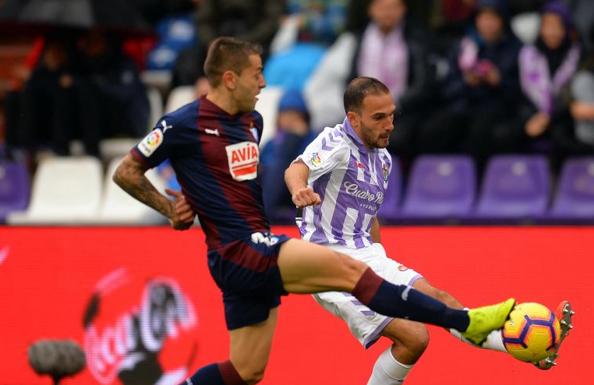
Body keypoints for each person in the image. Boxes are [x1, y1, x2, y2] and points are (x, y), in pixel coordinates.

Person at [113, 37, 515, 385]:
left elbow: (227, 183)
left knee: (245, 372)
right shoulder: (182, 123)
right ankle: (468, 323)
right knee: (354, 275)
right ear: (230, 78)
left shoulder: (251, 121)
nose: (265, 83)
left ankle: (492, 334)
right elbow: (127, 171)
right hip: (245, 247)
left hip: (249, 257)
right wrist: (168, 207)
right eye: (257, 74)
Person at [285, 76, 571, 381]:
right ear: (353, 119)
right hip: (328, 261)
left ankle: (528, 348)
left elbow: (370, 217)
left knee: (441, 300)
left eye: (391, 114)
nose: (389, 124)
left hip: (367, 255)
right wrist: (299, 189)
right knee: (414, 337)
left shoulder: (382, 158)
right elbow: (297, 167)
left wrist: (383, 264)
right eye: (379, 117)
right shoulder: (336, 142)